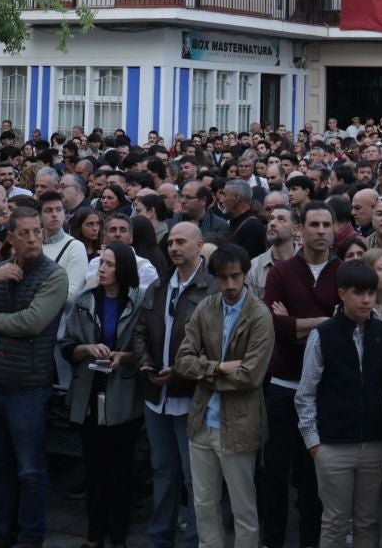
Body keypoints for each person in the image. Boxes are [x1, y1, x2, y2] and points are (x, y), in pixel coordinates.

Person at [0, 202, 69, 548]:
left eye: (37, 231)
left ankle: (30, 535)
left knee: (29, 469)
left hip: (26, 385)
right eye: (24, 233)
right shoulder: (0, 270)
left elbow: (31, 323)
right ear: (10, 237)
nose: (33, 238)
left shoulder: (54, 276)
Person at [176, 244, 274, 548]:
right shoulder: (206, 308)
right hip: (202, 421)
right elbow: (182, 361)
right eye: (223, 278)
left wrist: (203, 373)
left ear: (245, 274)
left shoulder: (259, 315)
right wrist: (218, 367)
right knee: (204, 504)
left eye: (235, 277)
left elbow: (250, 376)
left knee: (243, 508)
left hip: (240, 424)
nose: (230, 285)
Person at [262, 201, 343, 548]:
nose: (321, 231)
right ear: (301, 229)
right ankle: (274, 540)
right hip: (284, 384)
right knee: (276, 473)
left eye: (327, 225)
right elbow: (273, 325)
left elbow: (346, 326)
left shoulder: (343, 272)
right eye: (314, 225)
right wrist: (325, 320)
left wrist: (296, 324)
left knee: (315, 479)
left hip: (325, 388)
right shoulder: (281, 272)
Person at [296, 259, 382, 548]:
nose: (366, 300)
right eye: (358, 293)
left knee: (368, 521)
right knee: (335, 522)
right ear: (342, 294)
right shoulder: (323, 334)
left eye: (371, 293)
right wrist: (315, 444)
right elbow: (305, 394)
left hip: (376, 442)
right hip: (333, 446)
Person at [132, 222, 212, 548]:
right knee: (163, 470)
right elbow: (140, 330)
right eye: (171, 243)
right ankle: (159, 537)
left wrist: (180, 372)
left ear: (199, 245)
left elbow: (215, 346)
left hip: (189, 395)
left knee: (196, 478)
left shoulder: (212, 289)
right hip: (156, 394)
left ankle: (194, 540)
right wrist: (146, 362)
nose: (174, 247)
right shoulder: (161, 284)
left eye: (182, 242)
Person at [61, 244, 145, 548]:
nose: (102, 269)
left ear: (122, 268)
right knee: (94, 469)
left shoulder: (137, 303)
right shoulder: (86, 301)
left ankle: (119, 534)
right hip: (89, 392)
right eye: (101, 263)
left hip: (122, 393)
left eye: (109, 264)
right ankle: (95, 535)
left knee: (121, 469)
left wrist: (123, 356)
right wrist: (86, 349)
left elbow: (145, 347)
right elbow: (67, 345)